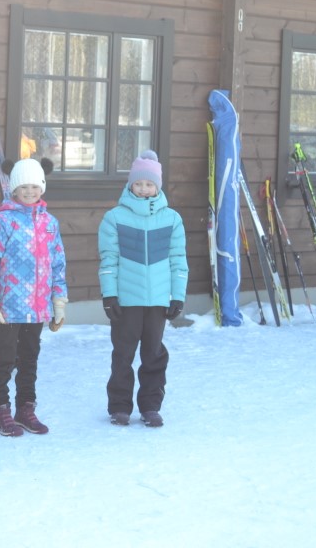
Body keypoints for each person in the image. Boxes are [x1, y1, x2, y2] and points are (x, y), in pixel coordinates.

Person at [0, 157, 67, 437]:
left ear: (42, 187)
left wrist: (58, 301)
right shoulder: (2, 221)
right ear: (14, 189)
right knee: (3, 358)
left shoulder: (50, 223)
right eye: (23, 187)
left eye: (35, 186)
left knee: (29, 359)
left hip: (38, 307)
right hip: (8, 306)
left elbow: (58, 264)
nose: (30, 191)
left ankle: (25, 408)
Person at [98, 150, 188, 428]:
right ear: (130, 185)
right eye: (139, 183)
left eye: (149, 184)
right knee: (123, 355)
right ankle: (119, 406)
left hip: (158, 302)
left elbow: (178, 261)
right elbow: (108, 259)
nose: (144, 188)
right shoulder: (114, 218)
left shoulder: (172, 219)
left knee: (154, 355)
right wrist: (109, 294)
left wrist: (177, 296)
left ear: (157, 186)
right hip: (127, 301)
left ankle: (150, 406)